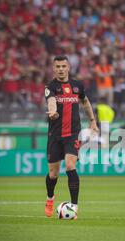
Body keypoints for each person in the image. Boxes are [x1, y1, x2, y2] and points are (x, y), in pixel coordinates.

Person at [44, 56, 99, 219]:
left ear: (68, 67)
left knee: (70, 165)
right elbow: (51, 101)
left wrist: (92, 121)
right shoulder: (50, 87)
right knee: (53, 174)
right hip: (55, 135)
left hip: (73, 134)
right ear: (53, 69)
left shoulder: (77, 85)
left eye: (63, 66)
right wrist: (53, 112)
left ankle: (74, 206)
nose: (60, 69)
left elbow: (86, 102)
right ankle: (50, 198)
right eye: (57, 66)